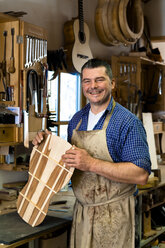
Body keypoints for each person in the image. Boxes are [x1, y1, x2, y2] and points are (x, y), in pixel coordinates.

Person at [32, 58, 151, 248]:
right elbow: (67, 162)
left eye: (99, 80)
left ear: (112, 83)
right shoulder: (76, 120)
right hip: (83, 214)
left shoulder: (127, 122)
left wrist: (91, 164)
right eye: (87, 81)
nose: (93, 86)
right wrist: (45, 145)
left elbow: (141, 174)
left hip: (115, 216)